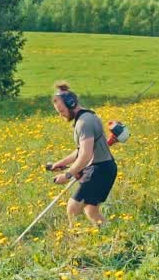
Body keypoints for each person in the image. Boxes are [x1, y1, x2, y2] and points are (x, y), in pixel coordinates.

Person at [44, 81, 117, 227]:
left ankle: (75, 238)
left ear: (71, 104)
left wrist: (68, 174)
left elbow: (85, 155)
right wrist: (60, 164)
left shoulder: (84, 123)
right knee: (91, 211)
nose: (61, 115)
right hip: (103, 168)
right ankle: (111, 235)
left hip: (100, 170)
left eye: (62, 111)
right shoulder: (86, 117)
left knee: (73, 208)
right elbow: (80, 150)